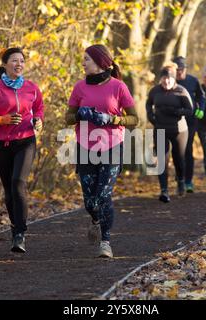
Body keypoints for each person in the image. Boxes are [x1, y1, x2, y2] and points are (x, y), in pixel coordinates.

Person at [65, 44, 138, 258]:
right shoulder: (79, 87)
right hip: (86, 147)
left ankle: (105, 241)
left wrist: (112, 119)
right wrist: (80, 114)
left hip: (112, 146)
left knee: (104, 195)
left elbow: (134, 119)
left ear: (99, 62)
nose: (83, 62)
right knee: (90, 200)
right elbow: (67, 118)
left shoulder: (118, 87)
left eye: (86, 59)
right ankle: (95, 220)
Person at [0, 47, 44, 253]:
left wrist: (38, 120)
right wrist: (1, 120)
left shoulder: (32, 87)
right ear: (5, 64)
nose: (19, 64)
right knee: (9, 190)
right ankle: (15, 227)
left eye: (22, 61)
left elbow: (39, 108)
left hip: (26, 141)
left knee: (18, 182)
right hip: (2, 144)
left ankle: (20, 233)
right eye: (14, 60)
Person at [146, 63, 193, 202]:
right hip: (160, 127)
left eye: (169, 78)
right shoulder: (154, 91)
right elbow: (149, 104)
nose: (166, 81)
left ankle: (180, 180)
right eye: (164, 78)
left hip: (179, 130)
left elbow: (190, 110)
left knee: (178, 158)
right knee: (162, 160)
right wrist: (150, 115)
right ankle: (164, 190)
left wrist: (176, 112)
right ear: (160, 79)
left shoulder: (181, 91)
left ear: (174, 79)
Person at [173, 56, 206, 193]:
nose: (179, 72)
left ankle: (188, 181)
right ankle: (180, 177)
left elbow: (201, 96)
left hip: (191, 120)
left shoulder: (193, 80)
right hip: (174, 120)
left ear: (185, 69)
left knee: (187, 149)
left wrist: (201, 109)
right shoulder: (170, 81)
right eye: (177, 70)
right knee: (176, 150)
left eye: (182, 69)